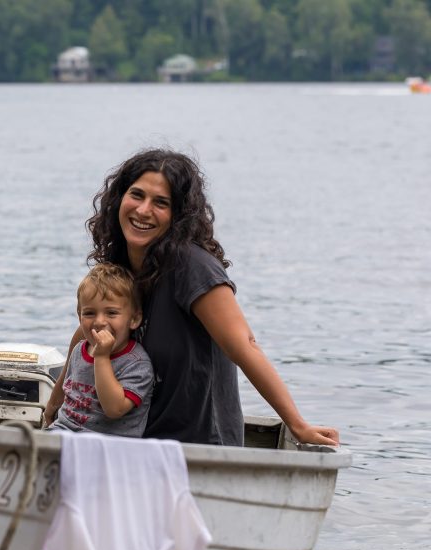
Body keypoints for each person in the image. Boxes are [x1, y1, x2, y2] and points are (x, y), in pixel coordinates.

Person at [45, 149, 339, 447]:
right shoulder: (125, 264)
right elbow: (91, 328)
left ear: (178, 215)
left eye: (161, 203)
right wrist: (55, 402)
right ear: (119, 198)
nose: (144, 210)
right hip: (142, 443)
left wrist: (297, 425)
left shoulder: (192, 266)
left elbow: (245, 346)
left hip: (198, 446)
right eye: (137, 195)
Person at [52, 263, 153, 437]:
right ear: (79, 316)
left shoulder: (137, 363)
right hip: (63, 433)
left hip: (109, 446)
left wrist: (102, 357)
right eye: (89, 313)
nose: (99, 322)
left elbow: (114, 409)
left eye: (111, 313)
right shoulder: (78, 351)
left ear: (134, 319)